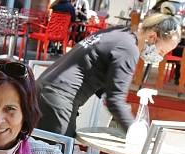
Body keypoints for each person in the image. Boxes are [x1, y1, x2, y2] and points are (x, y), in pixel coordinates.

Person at [36, 11, 181, 137]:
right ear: (152, 37)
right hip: (57, 100)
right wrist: (135, 133)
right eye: (161, 52)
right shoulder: (128, 49)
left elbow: (102, 80)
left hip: (44, 89)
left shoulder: (119, 33)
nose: (159, 57)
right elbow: (115, 101)